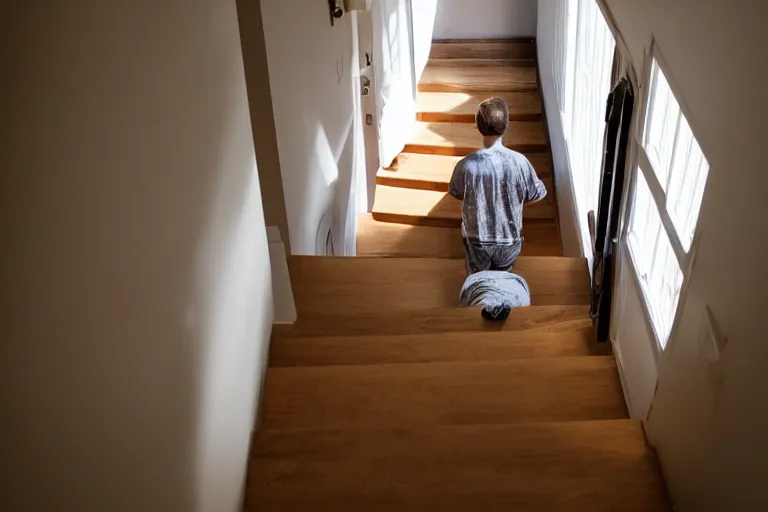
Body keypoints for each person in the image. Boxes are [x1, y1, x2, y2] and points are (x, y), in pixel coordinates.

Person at [448, 97, 547, 274]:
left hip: (476, 238)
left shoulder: (465, 165)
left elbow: (457, 192)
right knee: (504, 275)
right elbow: (535, 194)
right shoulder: (520, 162)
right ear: (506, 125)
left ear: (477, 124)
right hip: (508, 239)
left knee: (478, 277)